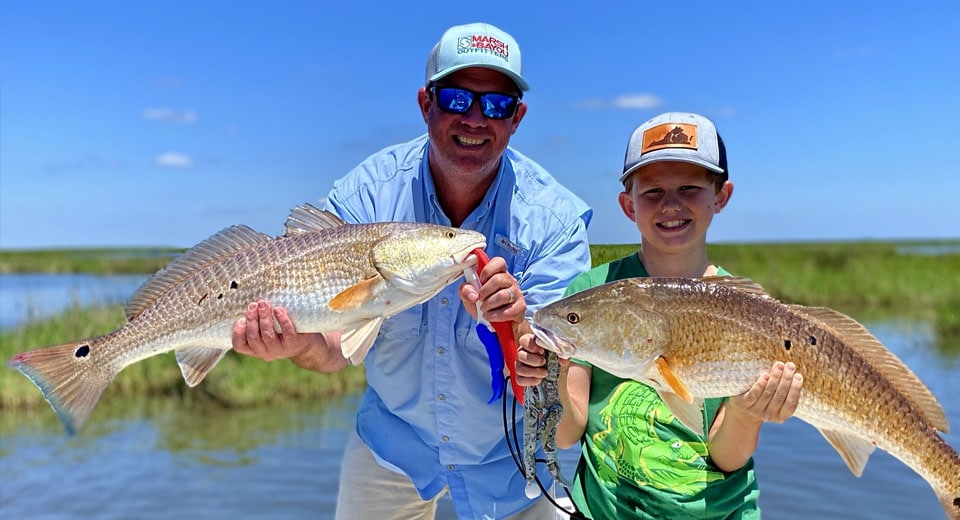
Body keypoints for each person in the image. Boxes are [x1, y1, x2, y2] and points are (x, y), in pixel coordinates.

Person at [231, 22, 592, 520]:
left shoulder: (554, 222)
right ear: (426, 104)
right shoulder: (368, 196)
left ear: (517, 118)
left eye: (496, 104)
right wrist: (296, 343)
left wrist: (521, 327)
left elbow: (559, 387)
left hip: (510, 459)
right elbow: (334, 350)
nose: (475, 119)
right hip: (392, 442)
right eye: (457, 99)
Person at [515, 112, 804, 519]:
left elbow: (728, 457)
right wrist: (550, 372)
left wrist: (746, 411)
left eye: (689, 187)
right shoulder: (588, 294)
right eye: (651, 191)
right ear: (627, 205)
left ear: (721, 196)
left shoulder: (751, 313)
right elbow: (566, 435)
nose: (671, 204)